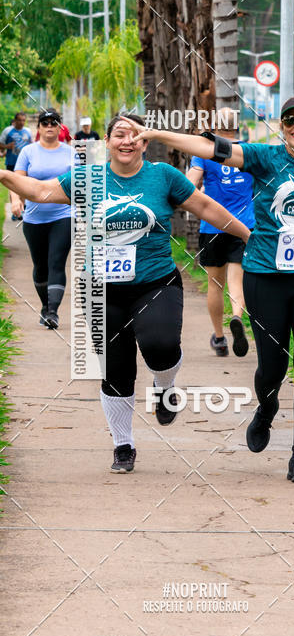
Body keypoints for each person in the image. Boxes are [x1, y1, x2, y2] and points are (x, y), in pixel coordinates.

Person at [126, 95, 294, 484]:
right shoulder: (264, 158)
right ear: (281, 126)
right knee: (271, 367)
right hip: (265, 276)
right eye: (290, 121)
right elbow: (210, 147)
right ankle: (266, 408)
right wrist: (154, 132)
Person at [0, 113, 251, 474]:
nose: (127, 141)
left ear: (146, 143)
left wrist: (248, 236)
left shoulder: (163, 176)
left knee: (160, 344)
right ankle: (123, 445)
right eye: (120, 135)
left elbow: (206, 206)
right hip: (102, 290)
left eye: (136, 136)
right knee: (116, 370)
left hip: (155, 281)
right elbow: (40, 191)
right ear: (107, 142)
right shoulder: (88, 178)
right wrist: (5, 175)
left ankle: (165, 388)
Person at [187, 108, 254, 358]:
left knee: (215, 285)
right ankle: (236, 317)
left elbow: (190, 184)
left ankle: (219, 337)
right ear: (238, 126)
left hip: (212, 226)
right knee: (238, 281)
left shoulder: (205, 151)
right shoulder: (248, 151)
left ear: (215, 125)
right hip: (244, 226)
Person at [14, 109, 73, 329]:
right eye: (45, 123)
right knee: (40, 267)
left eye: (54, 123)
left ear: (60, 127)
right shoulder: (28, 152)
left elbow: (83, 181)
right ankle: (45, 306)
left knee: (56, 261)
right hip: (34, 218)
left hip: (64, 215)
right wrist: (16, 201)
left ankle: (53, 312)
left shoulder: (72, 153)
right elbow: (15, 181)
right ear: (39, 128)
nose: (49, 126)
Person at [0, 112, 33, 220]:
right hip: (11, 162)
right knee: (13, 187)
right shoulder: (8, 131)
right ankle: (15, 211)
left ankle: (22, 209)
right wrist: (7, 146)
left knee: (23, 187)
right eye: (20, 120)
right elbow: (0, 144)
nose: (22, 122)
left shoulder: (27, 131)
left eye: (24, 120)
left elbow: (32, 145)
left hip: (25, 164)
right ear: (15, 121)